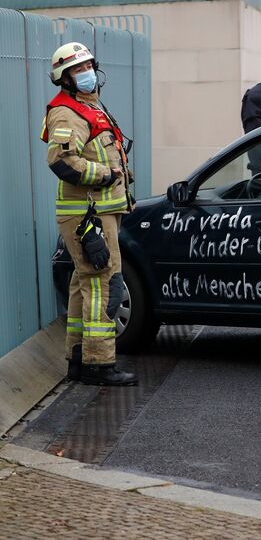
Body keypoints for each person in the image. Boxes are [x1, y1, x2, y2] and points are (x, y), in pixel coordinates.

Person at [42, 42, 137, 386]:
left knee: (84, 284)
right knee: (104, 283)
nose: (86, 74)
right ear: (64, 79)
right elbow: (61, 161)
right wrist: (106, 175)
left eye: (87, 67)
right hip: (87, 215)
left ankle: (79, 359)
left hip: (99, 211)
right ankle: (100, 364)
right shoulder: (67, 112)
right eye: (77, 70)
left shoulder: (90, 107)